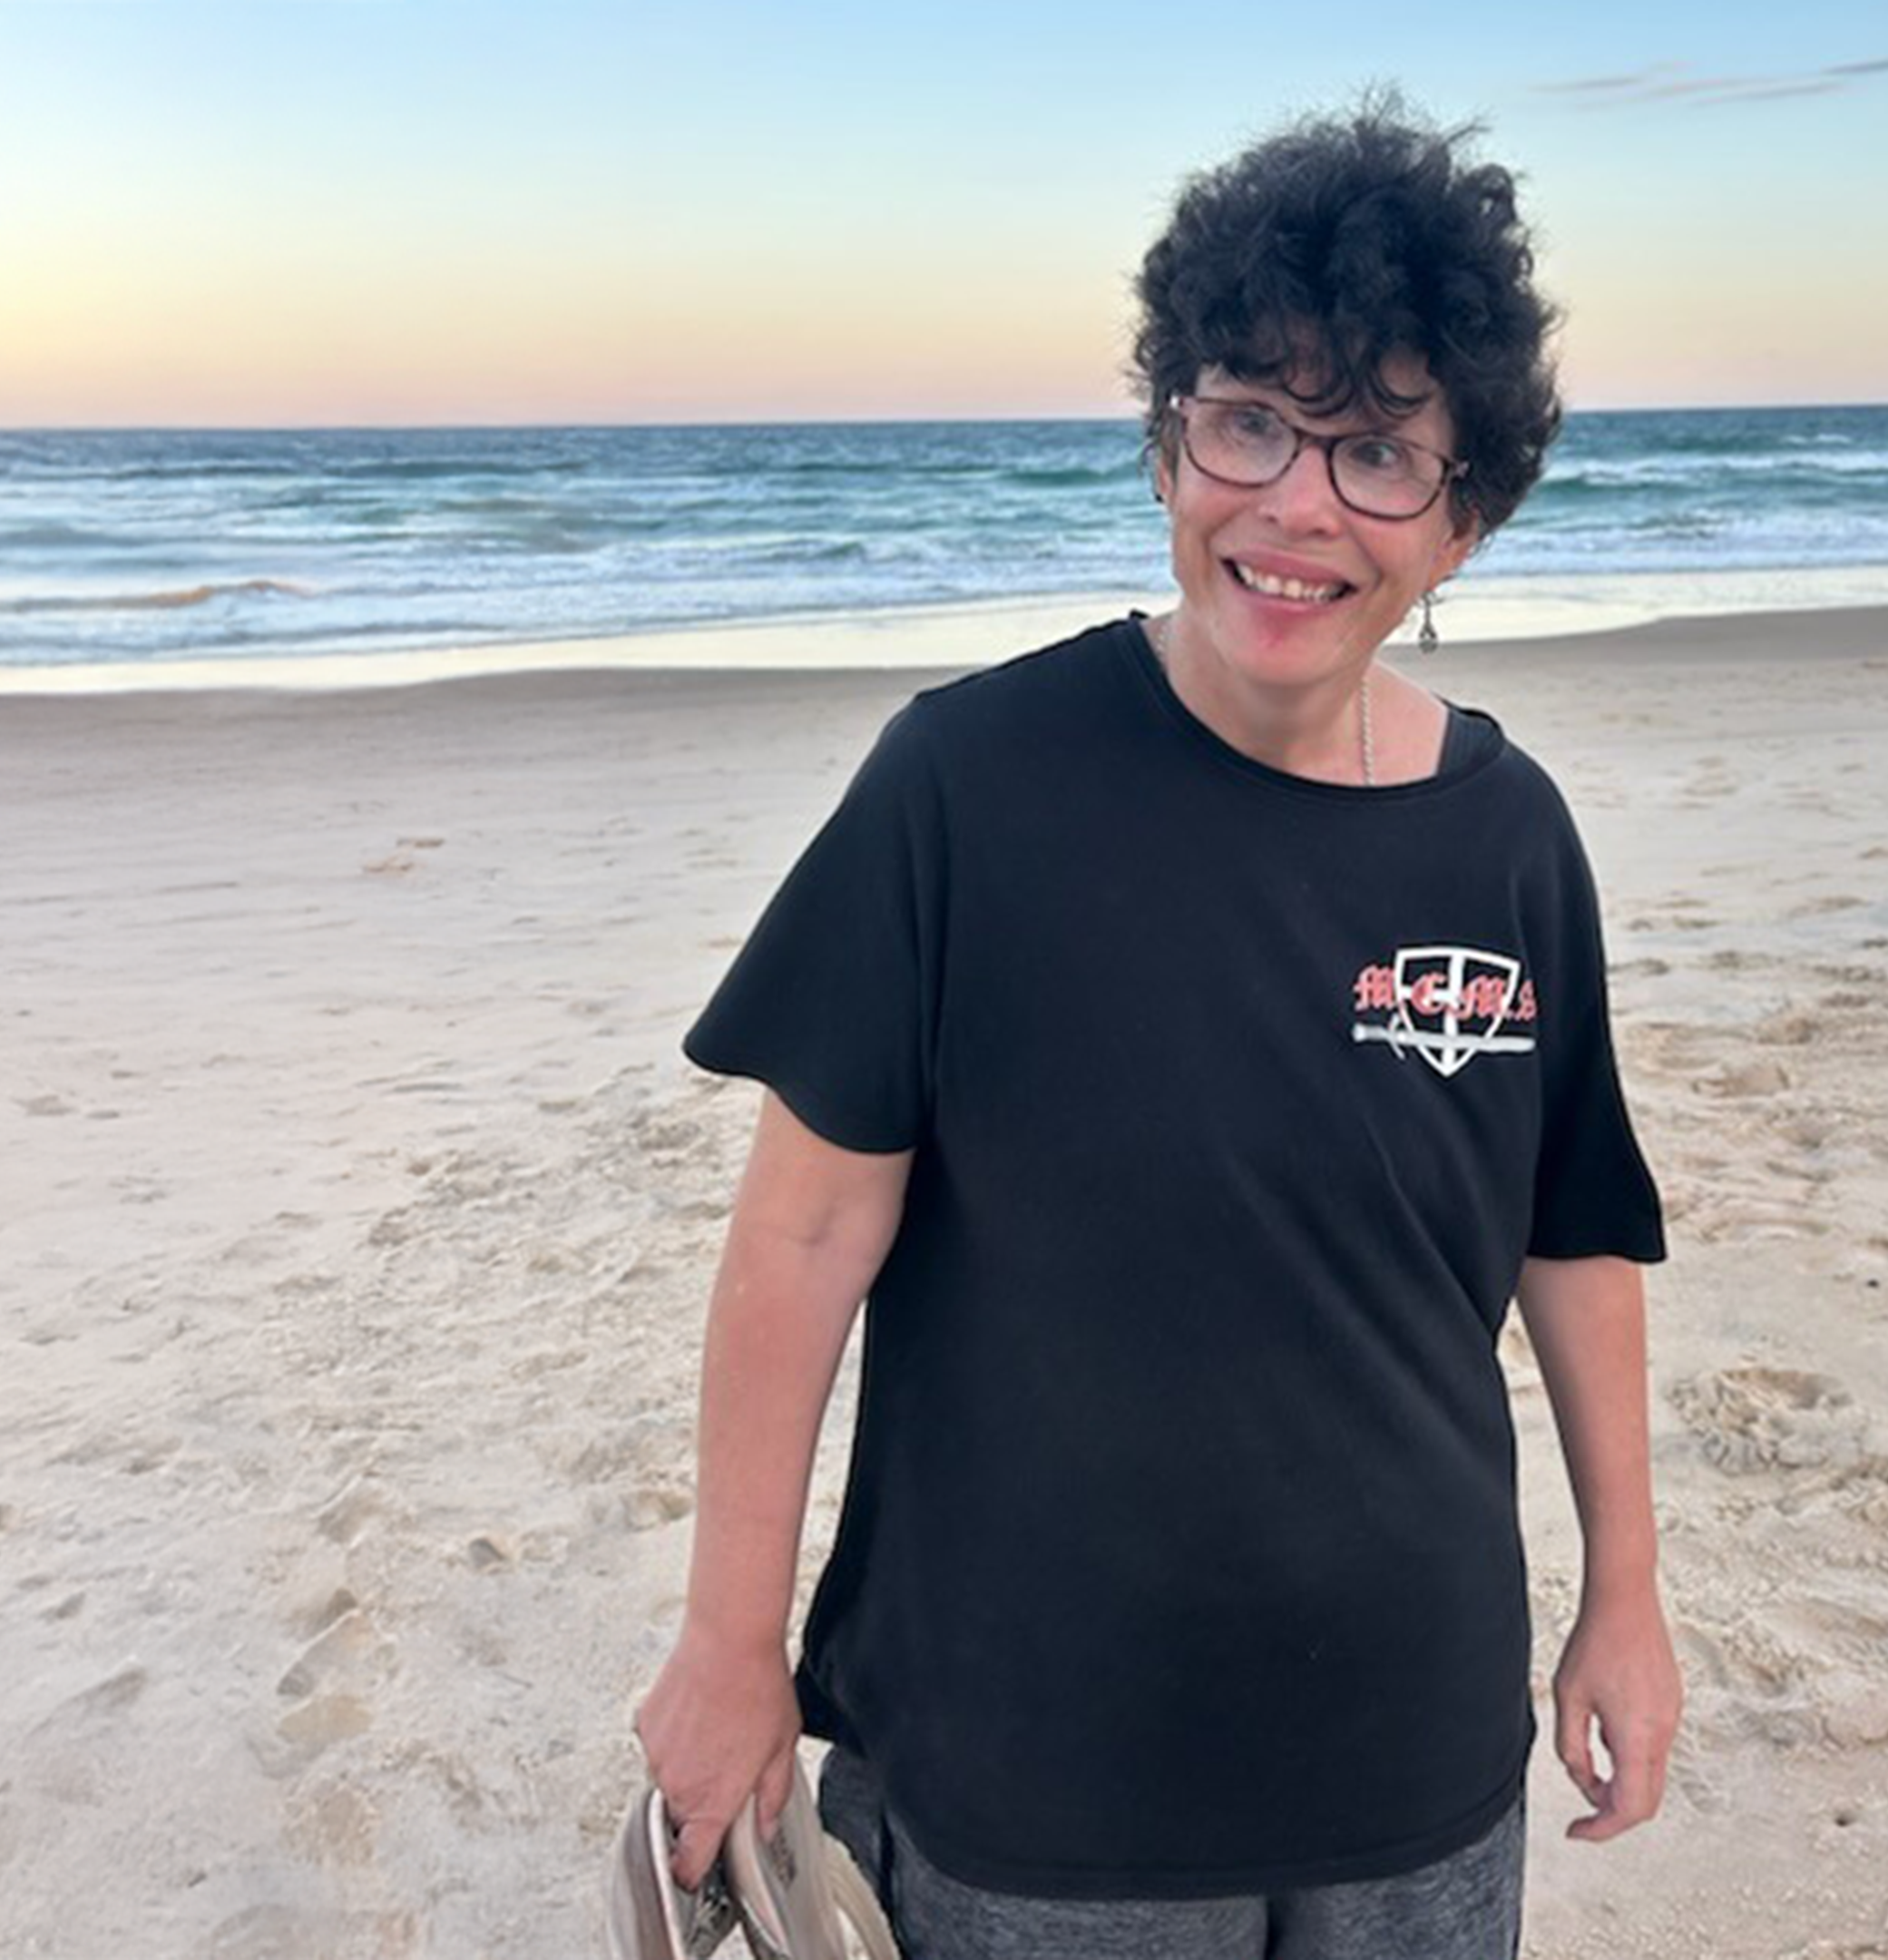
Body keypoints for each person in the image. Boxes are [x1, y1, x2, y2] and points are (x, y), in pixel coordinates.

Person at [635, 96, 1676, 1957]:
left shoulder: (1508, 839)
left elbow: (1572, 1232)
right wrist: (727, 1645)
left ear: (1468, 517)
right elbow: (802, 1231)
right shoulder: (964, 788)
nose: (1295, 504)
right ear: (1165, 433)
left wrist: (1629, 1592)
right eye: (1249, 419)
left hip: (1414, 1756)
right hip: (1034, 1778)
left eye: (1375, 454)